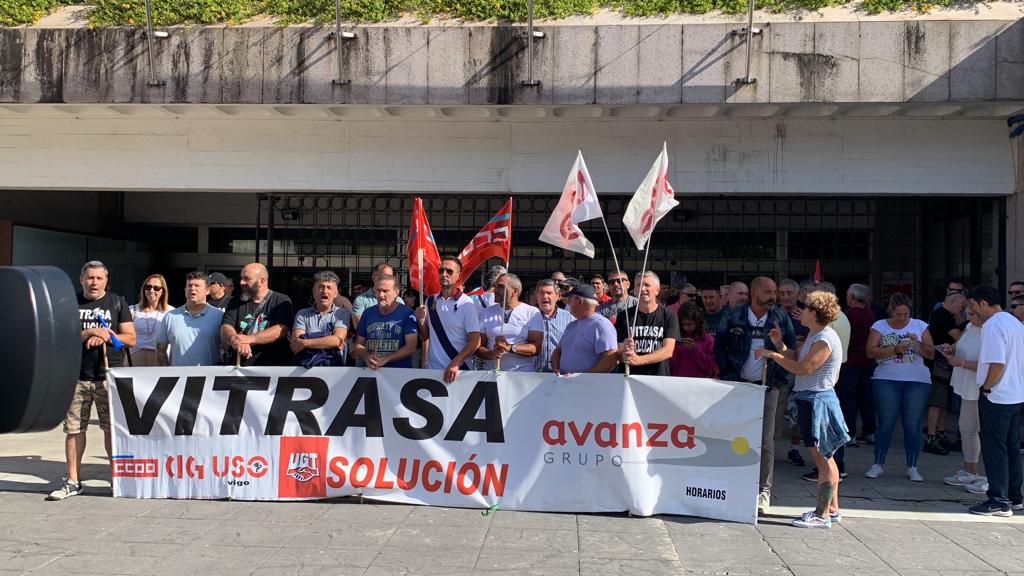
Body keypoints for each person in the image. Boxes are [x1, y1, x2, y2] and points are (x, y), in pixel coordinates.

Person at [758, 290, 849, 528]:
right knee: (825, 457)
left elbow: (803, 368)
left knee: (822, 458)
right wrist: (779, 344)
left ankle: (822, 514)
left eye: (806, 307)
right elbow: (797, 356)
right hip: (812, 399)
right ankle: (832, 509)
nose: (802, 310)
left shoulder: (824, 338)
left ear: (814, 313)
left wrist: (773, 355)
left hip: (818, 400)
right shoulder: (815, 334)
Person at [48, 261, 137, 501]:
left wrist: (106, 335)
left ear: (106, 280)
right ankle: (73, 480)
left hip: (109, 377)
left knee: (112, 430)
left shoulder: (117, 302)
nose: (94, 282)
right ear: (81, 279)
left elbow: (130, 338)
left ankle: (116, 478)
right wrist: (88, 332)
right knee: (75, 430)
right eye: (90, 278)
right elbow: (59, 338)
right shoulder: (68, 303)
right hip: (76, 377)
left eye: (99, 278)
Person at [714, 276, 796, 514]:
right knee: (734, 434)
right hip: (738, 385)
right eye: (769, 291)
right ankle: (734, 482)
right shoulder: (733, 316)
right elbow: (719, 346)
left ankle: (763, 490)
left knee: (765, 440)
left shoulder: (781, 318)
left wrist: (780, 380)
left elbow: (791, 352)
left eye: (775, 292)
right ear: (754, 293)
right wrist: (729, 374)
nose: (774, 296)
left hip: (769, 386)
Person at [864, 292, 936, 482]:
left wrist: (916, 343)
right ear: (891, 311)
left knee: (912, 425)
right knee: (886, 423)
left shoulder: (920, 326)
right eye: (898, 314)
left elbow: (931, 353)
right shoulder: (880, 326)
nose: (903, 318)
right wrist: (896, 348)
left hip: (917, 381)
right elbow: (870, 352)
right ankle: (878, 464)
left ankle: (912, 466)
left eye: (906, 314)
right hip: (886, 379)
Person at [966, 285, 1024, 516]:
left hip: (998, 396)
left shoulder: (993, 325)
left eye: (973, 306)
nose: (971, 313)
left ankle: (998, 500)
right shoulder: (1014, 323)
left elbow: (997, 362)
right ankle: (1014, 496)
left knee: (994, 448)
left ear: (983, 303)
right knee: (1011, 448)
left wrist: (987, 388)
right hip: (1015, 395)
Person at [939, 304, 986, 493]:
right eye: (967, 314)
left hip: (979, 386)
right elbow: (960, 346)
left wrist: (962, 363)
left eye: (973, 314)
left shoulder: (989, 331)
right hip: (965, 383)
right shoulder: (969, 327)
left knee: (975, 429)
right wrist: (950, 350)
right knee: (966, 428)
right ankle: (970, 469)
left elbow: (990, 364)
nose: (969, 317)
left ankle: (976, 471)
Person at [415, 256, 481, 384]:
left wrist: (456, 362)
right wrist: (420, 321)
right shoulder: (430, 301)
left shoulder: (467, 304)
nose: (444, 274)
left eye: (449, 271)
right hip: (434, 371)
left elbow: (475, 341)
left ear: (458, 276)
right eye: (441, 271)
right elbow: (424, 336)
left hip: (459, 371)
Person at [221, 263, 294, 367]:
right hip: (240, 368)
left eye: (246, 278)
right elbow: (226, 327)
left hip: (272, 368)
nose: (241, 282)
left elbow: (281, 329)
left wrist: (250, 339)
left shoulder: (281, 300)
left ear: (262, 281)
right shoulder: (235, 301)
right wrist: (237, 341)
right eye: (241, 278)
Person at [924, 285, 966, 455]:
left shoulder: (946, 315)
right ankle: (931, 437)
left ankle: (939, 434)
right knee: (937, 401)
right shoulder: (943, 314)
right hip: (938, 365)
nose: (962, 310)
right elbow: (959, 338)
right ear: (952, 302)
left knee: (944, 403)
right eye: (961, 306)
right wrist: (968, 325)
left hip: (946, 365)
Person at [616, 271, 680, 376]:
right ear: (635, 290)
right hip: (630, 378)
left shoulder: (669, 315)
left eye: (647, 285)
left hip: (658, 378)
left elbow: (668, 350)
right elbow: (618, 354)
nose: (642, 289)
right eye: (639, 285)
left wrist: (639, 360)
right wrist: (624, 352)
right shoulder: (624, 316)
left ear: (657, 290)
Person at [157, 271, 224, 366]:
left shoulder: (219, 316)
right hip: (178, 378)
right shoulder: (170, 316)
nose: (192, 288)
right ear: (185, 290)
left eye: (197, 286)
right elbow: (160, 350)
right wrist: (168, 374)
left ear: (207, 290)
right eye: (189, 285)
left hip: (208, 378)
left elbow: (226, 348)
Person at [838, 284, 878, 444]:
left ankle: (850, 433)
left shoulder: (847, 315)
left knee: (849, 398)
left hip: (850, 361)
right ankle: (870, 431)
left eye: (848, 295)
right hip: (868, 361)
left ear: (853, 297)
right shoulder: (871, 315)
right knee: (867, 397)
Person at [476, 274, 540, 372]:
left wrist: (510, 348)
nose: (495, 290)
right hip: (491, 375)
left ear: (515, 291)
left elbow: (536, 348)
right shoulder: (486, 312)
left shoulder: (532, 312)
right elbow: (478, 347)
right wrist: (492, 354)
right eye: (495, 286)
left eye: (501, 287)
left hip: (522, 376)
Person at [550, 284, 618, 375]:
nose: (567, 302)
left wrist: (583, 376)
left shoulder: (601, 325)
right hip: (566, 384)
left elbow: (610, 359)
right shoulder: (571, 325)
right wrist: (555, 368)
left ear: (578, 301)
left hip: (588, 386)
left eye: (570, 299)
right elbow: (558, 350)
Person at [353, 275, 418, 369]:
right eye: (378, 290)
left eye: (385, 291)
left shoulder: (407, 314)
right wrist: (367, 357)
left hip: (398, 373)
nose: (381, 295)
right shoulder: (368, 313)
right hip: (371, 371)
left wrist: (385, 359)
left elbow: (411, 347)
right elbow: (358, 344)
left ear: (396, 292)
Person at [290, 271, 351, 368]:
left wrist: (305, 342)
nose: (324, 291)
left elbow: (336, 340)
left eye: (329, 287)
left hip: (333, 369)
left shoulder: (342, 313)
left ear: (336, 293)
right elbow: (296, 345)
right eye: (321, 287)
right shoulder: (302, 314)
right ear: (314, 292)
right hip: (304, 369)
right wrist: (328, 340)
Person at [526, 279, 575, 372]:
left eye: (549, 293)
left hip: (561, 374)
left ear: (557, 296)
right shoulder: (527, 318)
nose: (545, 296)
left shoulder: (570, 318)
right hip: (534, 374)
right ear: (537, 296)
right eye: (541, 293)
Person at [129, 274, 171, 367]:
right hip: (135, 357)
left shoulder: (171, 312)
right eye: (148, 287)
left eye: (156, 288)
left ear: (163, 291)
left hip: (159, 358)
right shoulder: (132, 310)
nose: (151, 290)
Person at [669, 304, 716, 378]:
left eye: (689, 324)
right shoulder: (675, 339)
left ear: (698, 323)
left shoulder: (708, 340)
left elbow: (711, 367)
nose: (686, 328)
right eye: (683, 325)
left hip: (699, 384)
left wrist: (695, 350)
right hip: (677, 382)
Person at [353, 262, 394, 330]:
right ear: (374, 278)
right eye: (385, 276)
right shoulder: (361, 300)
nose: (389, 280)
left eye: (391, 277)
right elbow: (359, 327)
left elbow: (401, 327)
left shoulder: (397, 300)